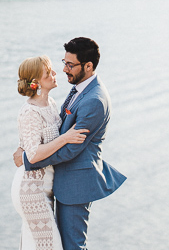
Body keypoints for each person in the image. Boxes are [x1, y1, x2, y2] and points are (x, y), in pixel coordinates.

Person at [14, 37, 126, 250]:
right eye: (64, 62)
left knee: (73, 246)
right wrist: (25, 146)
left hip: (76, 184)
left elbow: (70, 149)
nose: (64, 69)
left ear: (88, 66)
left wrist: (30, 158)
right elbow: (54, 130)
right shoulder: (78, 89)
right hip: (61, 181)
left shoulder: (94, 100)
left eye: (70, 65)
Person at [12, 55, 89, 250]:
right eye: (49, 73)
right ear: (36, 83)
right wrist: (66, 138)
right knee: (50, 246)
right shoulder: (30, 112)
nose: (56, 73)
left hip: (47, 188)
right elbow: (33, 155)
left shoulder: (52, 104)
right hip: (31, 190)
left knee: (37, 245)